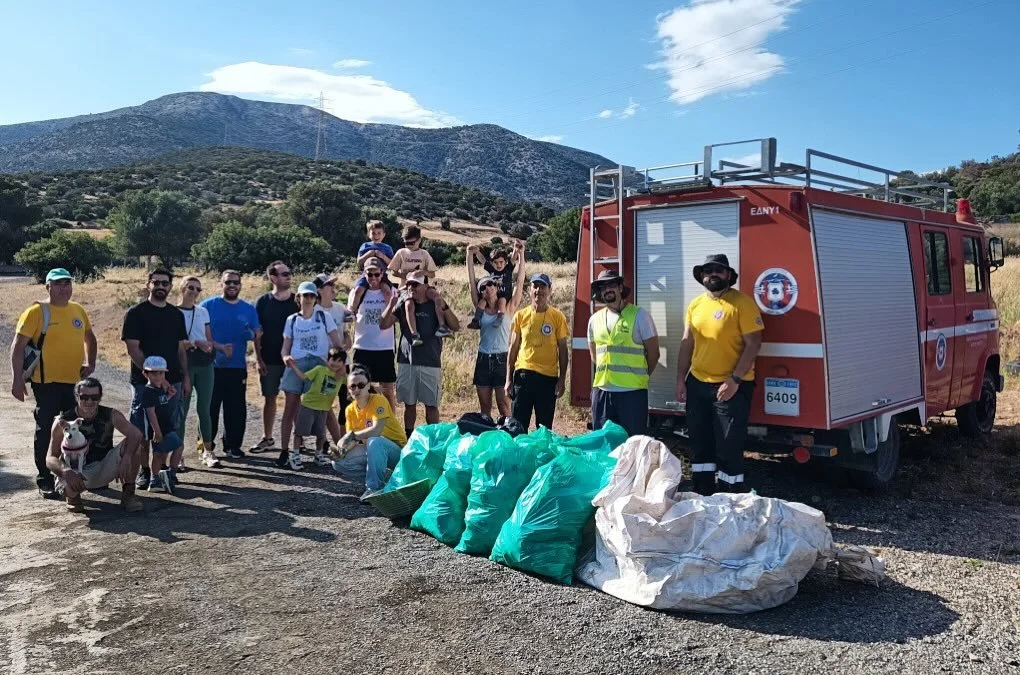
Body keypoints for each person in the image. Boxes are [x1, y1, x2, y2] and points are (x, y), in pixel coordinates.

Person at [674, 254, 763, 495]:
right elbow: (686, 343)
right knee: (700, 443)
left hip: (732, 386)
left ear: (728, 276)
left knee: (728, 445)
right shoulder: (695, 305)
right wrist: (681, 378)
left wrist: (734, 380)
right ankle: (703, 492)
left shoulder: (741, 303)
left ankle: (730, 496)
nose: (712, 274)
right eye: (708, 270)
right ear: (702, 276)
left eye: (718, 270)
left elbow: (754, 343)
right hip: (698, 383)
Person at [9, 267, 97, 499]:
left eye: (67, 283)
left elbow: (90, 337)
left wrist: (92, 363)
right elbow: (18, 346)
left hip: (74, 383)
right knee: (47, 428)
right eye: (58, 284)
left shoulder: (78, 310)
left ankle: (78, 473)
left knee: (77, 429)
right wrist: (17, 380)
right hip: (45, 382)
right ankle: (45, 478)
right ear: (48, 286)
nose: (63, 288)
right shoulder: (37, 311)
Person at [121, 269, 189, 490]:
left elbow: (180, 349)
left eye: (165, 283)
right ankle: (144, 471)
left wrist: (185, 377)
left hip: (174, 381)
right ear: (148, 284)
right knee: (143, 430)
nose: (161, 286)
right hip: (144, 384)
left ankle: (165, 473)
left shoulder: (176, 315)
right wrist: (156, 377)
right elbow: (133, 348)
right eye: (156, 282)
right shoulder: (135, 313)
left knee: (169, 426)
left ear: (170, 286)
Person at [46, 377, 144, 513]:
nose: (89, 402)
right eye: (84, 397)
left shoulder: (111, 414)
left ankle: (128, 494)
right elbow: (50, 457)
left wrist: (127, 457)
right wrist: (65, 471)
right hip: (77, 472)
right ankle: (73, 498)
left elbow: (136, 434)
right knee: (68, 478)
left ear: (100, 397)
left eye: (94, 397)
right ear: (76, 397)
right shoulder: (63, 421)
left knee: (135, 447)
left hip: (104, 466)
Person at [380, 270, 459, 438]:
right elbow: (384, 324)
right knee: (409, 404)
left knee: (431, 405)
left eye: (415, 284)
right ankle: (409, 438)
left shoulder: (435, 304)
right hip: (406, 361)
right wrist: (391, 303)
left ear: (425, 286)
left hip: (430, 362)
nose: (410, 287)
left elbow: (456, 325)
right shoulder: (403, 304)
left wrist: (443, 305)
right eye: (408, 284)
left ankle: (434, 441)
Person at [278, 281, 345, 470]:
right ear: (297, 298)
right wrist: (286, 358)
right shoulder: (292, 320)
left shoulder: (324, 317)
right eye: (304, 295)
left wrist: (338, 365)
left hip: (319, 364)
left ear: (316, 298)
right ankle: (285, 451)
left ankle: (336, 450)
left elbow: (336, 344)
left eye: (311, 296)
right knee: (290, 406)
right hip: (297, 363)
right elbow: (285, 347)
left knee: (324, 408)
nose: (308, 299)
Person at [588, 269, 660, 437]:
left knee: (632, 446)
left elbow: (654, 354)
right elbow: (594, 356)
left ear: (620, 288)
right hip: (603, 393)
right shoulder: (594, 320)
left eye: (611, 285)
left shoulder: (640, 316)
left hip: (632, 394)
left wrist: (639, 376)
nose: (607, 290)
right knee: (604, 446)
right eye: (603, 287)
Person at [202, 270, 261, 461]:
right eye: (228, 282)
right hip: (211, 366)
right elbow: (197, 331)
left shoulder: (248, 309)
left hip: (237, 367)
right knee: (209, 407)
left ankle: (233, 446)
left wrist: (251, 334)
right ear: (221, 284)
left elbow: (257, 331)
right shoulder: (208, 306)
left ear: (241, 285)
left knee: (236, 408)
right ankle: (206, 447)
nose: (232, 285)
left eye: (236, 282)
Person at [176, 275, 231, 470]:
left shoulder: (202, 312)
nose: (194, 292)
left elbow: (207, 338)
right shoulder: (174, 312)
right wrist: (194, 343)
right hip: (185, 363)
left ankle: (207, 450)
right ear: (182, 288)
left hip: (205, 363)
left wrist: (218, 347)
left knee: (204, 409)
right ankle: (178, 454)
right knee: (181, 411)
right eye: (190, 287)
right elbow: (174, 342)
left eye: (198, 289)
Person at [467, 242, 526, 419]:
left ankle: (507, 440)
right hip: (484, 357)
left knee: (504, 407)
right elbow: (471, 281)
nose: (488, 288)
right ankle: (487, 440)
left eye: (491, 285)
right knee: (485, 408)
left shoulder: (508, 307)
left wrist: (522, 255)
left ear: (496, 286)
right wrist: (469, 256)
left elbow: (520, 280)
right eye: (483, 287)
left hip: (502, 358)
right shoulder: (481, 308)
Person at [504, 273, 569, 431]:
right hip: (524, 375)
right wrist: (508, 379)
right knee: (518, 427)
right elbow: (513, 348)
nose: (538, 290)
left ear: (549, 290)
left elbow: (563, 350)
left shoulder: (557, 317)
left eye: (543, 286)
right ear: (529, 290)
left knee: (544, 428)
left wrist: (562, 379)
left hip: (548, 378)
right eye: (535, 286)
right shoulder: (520, 316)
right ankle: (519, 455)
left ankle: (542, 455)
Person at [336, 365, 408, 501]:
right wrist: (342, 448)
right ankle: (384, 477)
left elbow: (376, 430)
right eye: (353, 386)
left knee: (374, 441)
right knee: (338, 461)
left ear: (368, 385)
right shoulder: (350, 410)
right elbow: (352, 441)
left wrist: (351, 435)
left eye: (361, 385)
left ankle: (374, 489)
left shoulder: (378, 400)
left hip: (397, 453)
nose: (357, 389)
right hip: (373, 450)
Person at [252, 260, 298, 454]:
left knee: (294, 399)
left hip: (293, 360)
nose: (289, 276)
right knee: (269, 399)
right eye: (284, 273)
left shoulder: (297, 300)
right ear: (273, 277)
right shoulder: (263, 302)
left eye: (289, 273)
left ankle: (298, 440)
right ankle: (267, 437)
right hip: (269, 359)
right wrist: (258, 358)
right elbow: (257, 333)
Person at [347, 258, 399, 412]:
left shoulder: (390, 292)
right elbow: (350, 313)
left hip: (384, 346)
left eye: (377, 274)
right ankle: (361, 422)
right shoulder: (357, 292)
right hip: (362, 345)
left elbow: (397, 315)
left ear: (383, 274)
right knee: (359, 388)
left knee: (388, 389)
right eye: (370, 275)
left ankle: (391, 424)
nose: (373, 278)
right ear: (365, 274)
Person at [387, 225, 453, 345]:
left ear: (419, 240)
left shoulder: (424, 254)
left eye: (412, 243)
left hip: (423, 287)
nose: (409, 246)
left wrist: (422, 272)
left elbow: (432, 274)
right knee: (409, 304)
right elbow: (393, 271)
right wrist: (406, 276)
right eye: (406, 243)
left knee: (437, 298)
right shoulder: (401, 253)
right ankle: (414, 334)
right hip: (406, 288)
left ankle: (442, 326)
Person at [287, 346, 349, 467]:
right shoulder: (320, 369)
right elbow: (304, 377)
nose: (335, 363)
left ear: (343, 363)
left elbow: (353, 383)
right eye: (333, 359)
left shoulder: (341, 377)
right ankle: (295, 456)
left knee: (321, 434)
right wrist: (293, 366)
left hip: (324, 409)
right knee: (300, 432)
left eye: (339, 361)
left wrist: (371, 387)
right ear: (327, 359)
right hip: (308, 406)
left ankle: (318, 454)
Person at [139, 356, 183, 494]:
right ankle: (168, 475)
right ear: (145, 374)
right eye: (154, 373)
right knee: (177, 447)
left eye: (161, 373)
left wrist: (169, 396)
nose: (158, 376)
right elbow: (151, 413)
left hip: (165, 427)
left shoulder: (158, 389)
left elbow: (161, 403)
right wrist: (157, 432)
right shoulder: (147, 392)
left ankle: (156, 479)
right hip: (160, 429)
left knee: (160, 454)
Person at [347, 219, 396, 317]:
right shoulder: (364, 246)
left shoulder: (387, 248)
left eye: (379, 233)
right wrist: (368, 254)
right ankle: (352, 311)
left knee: (387, 291)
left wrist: (382, 256)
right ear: (369, 234)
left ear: (384, 234)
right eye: (373, 233)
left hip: (381, 275)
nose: (376, 236)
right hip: (367, 275)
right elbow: (359, 262)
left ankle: (391, 312)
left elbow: (392, 264)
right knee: (358, 290)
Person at [468, 240, 522, 328]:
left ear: (505, 262)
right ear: (492, 263)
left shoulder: (508, 269)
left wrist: (516, 250)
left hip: (505, 297)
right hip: (492, 297)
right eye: (496, 262)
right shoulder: (492, 269)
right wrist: (477, 252)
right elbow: (483, 260)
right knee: (482, 301)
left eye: (501, 262)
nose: (499, 265)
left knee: (502, 300)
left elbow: (513, 258)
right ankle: (476, 319)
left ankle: (500, 318)